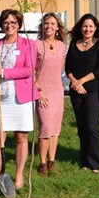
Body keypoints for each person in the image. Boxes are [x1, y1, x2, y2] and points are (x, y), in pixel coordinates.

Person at [0, 9, 38, 189]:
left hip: (20, 98)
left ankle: (19, 175)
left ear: (19, 24)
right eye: (6, 22)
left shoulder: (28, 44)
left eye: (13, 22)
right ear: (1, 25)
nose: (9, 25)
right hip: (0, 98)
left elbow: (29, 70)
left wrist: (5, 72)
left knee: (21, 137)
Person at [65, 13, 99, 174]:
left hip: (93, 92)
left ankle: (96, 163)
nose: (87, 29)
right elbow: (67, 67)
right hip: (76, 92)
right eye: (85, 26)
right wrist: (74, 82)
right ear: (80, 28)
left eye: (91, 26)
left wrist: (80, 82)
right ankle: (84, 160)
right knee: (82, 127)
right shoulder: (74, 44)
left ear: (95, 28)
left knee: (92, 127)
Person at [35, 13, 67, 177]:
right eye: (46, 23)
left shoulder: (61, 46)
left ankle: (51, 161)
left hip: (57, 91)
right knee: (45, 127)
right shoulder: (37, 45)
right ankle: (42, 163)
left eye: (52, 23)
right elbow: (31, 72)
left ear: (57, 27)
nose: (49, 26)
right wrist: (39, 91)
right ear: (42, 26)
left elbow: (59, 70)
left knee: (55, 128)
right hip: (42, 92)